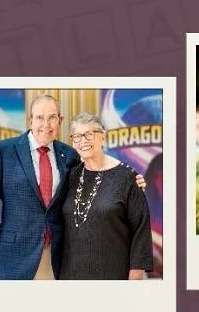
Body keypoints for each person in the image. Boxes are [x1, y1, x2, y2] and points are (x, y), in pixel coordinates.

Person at [0, 95, 147, 280]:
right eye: (40, 117)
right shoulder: (4, 151)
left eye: (52, 117)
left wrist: (128, 177)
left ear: (60, 120)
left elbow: (96, 168)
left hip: (58, 257)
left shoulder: (69, 155)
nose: (46, 124)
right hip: (15, 256)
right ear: (30, 120)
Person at [59, 113, 153, 280]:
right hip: (71, 276)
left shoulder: (127, 178)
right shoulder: (70, 176)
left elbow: (140, 229)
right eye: (77, 136)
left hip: (112, 275)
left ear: (102, 137)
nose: (83, 141)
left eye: (89, 134)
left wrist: (135, 278)